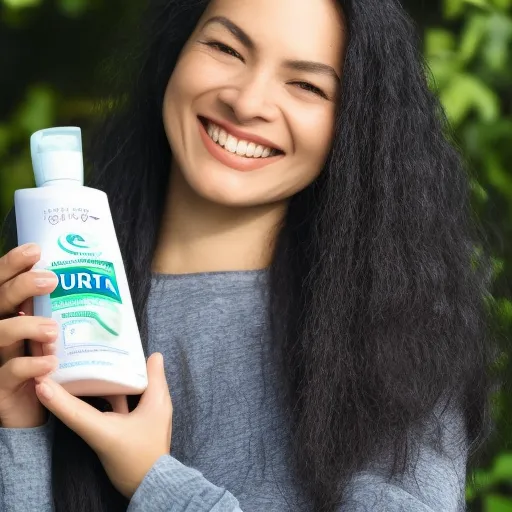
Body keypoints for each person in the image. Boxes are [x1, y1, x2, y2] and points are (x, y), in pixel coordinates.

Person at [0, 0, 496, 511]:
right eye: (225, 47)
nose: (248, 101)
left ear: (355, 123)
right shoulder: (50, 292)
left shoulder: (395, 328)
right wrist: (18, 436)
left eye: (307, 85)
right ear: (175, 49)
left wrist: (157, 482)